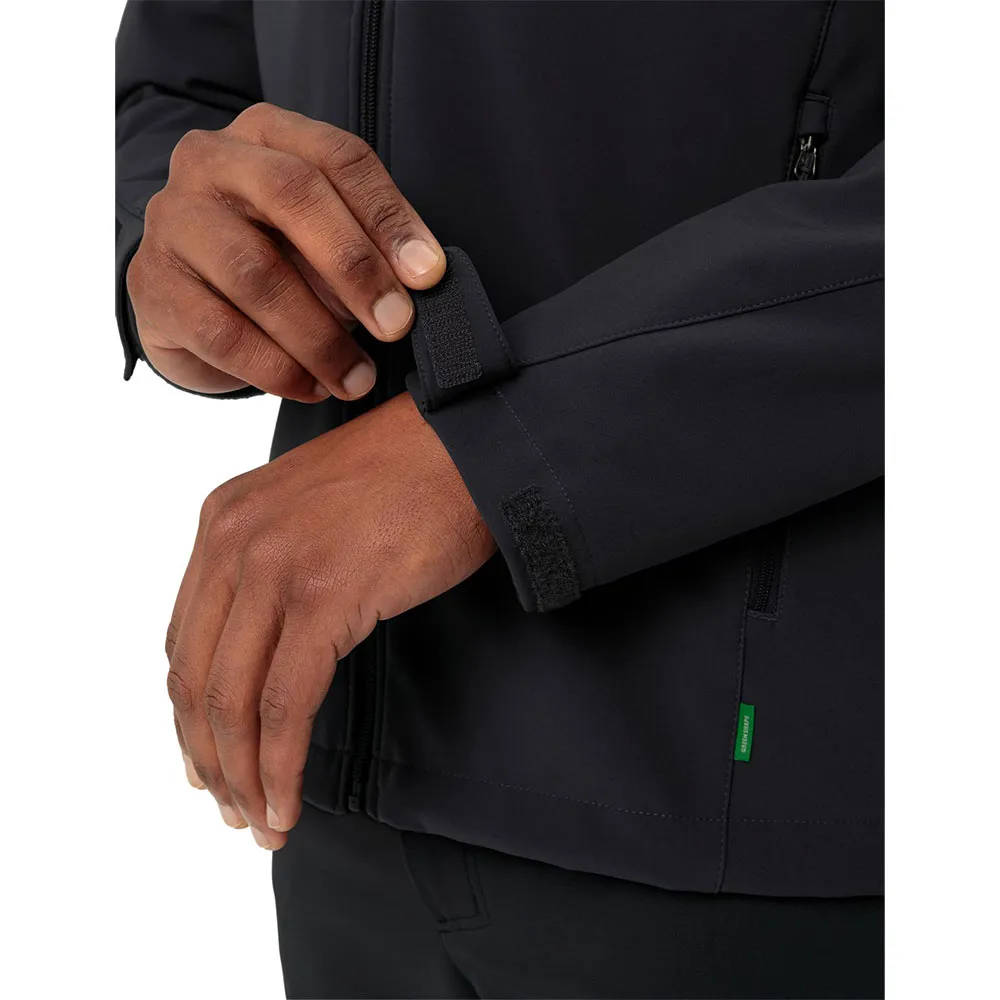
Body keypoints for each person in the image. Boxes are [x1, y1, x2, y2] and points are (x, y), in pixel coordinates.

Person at [115, 2, 884, 997]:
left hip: (737, 812)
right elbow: (182, 68)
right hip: (347, 788)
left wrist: (507, 450)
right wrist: (174, 243)